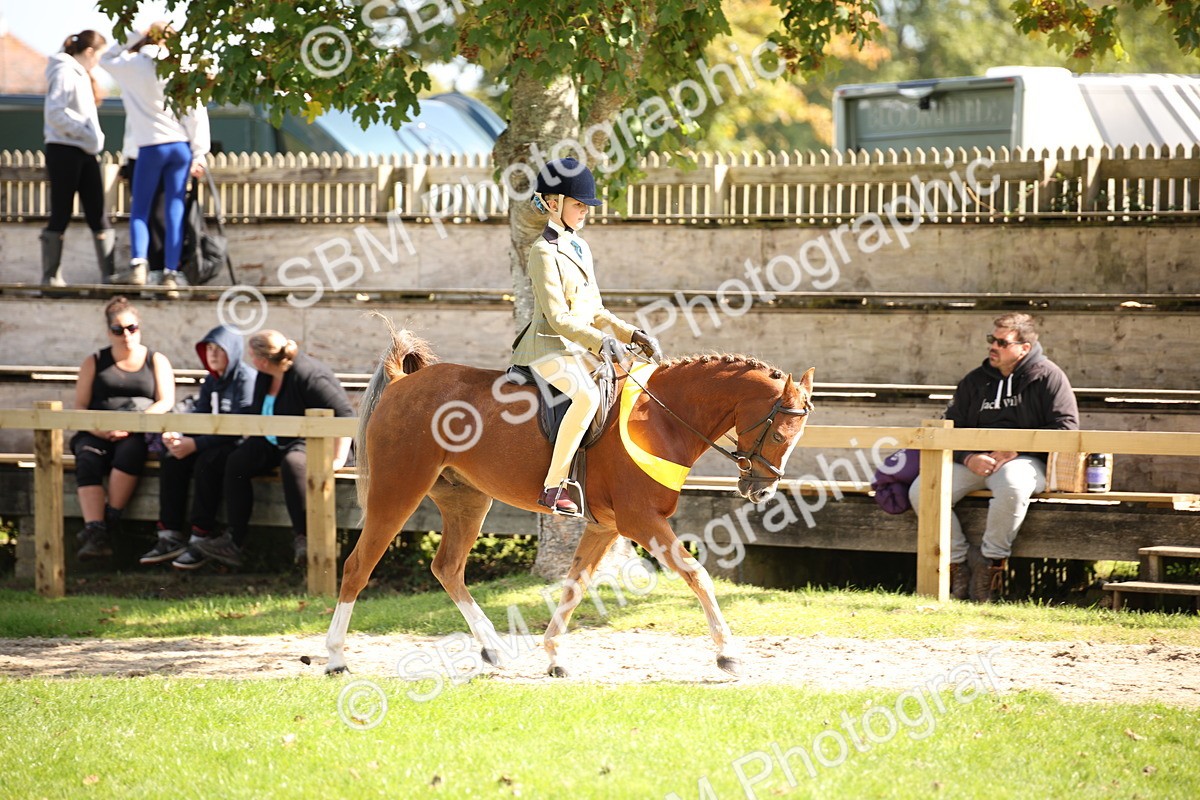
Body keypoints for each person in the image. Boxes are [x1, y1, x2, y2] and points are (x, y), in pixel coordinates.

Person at [511, 157, 662, 514]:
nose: (584, 213)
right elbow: (559, 318)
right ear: (553, 203)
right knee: (587, 397)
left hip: (579, 347)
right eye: (578, 205)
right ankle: (553, 486)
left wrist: (633, 334)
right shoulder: (542, 252)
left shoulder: (580, 247)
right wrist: (600, 342)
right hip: (547, 348)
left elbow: (596, 310)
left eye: (585, 206)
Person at [908, 313, 1079, 602]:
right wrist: (968, 456)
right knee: (923, 489)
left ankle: (990, 566)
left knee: (1012, 482)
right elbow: (951, 426)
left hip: (1027, 460)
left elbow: (1066, 428)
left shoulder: (1049, 376)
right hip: (978, 461)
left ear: (1024, 348)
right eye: (992, 339)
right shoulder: (975, 381)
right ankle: (959, 565)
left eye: (1002, 342)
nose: (993, 346)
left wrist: (1018, 449)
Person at [173, 330, 354, 570]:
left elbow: (345, 415)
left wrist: (339, 458)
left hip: (311, 442)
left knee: (293, 464)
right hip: (273, 440)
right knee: (237, 460)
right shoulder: (265, 375)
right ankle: (234, 541)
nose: (249, 360)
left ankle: (304, 538)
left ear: (262, 360)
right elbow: (257, 414)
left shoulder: (309, 376)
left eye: (251, 355)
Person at [100, 22, 210, 295]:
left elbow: (106, 58)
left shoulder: (132, 65)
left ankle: (139, 264)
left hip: (150, 147)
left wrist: (133, 34)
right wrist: (199, 152)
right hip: (180, 146)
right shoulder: (180, 68)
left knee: (140, 209)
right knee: (175, 210)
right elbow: (195, 112)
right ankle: (171, 273)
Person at [140, 324, 255, 566]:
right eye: (208, 349)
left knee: (207, 461)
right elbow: (200, 415)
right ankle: (169, 533)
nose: (212, 354)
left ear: (233, 351)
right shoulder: (211, 380)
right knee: (172, 457)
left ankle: (201, 535)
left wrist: (196, 444)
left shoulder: (245, 379)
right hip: (211, 441)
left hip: (240, 446)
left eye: (218, 349)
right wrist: (179, 436)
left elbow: (239, 426)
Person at [72, 296, 175, 560]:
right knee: (87, 456)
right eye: (118, 330)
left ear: (139, 328)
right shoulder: (94, 361)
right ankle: (95, 530)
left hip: (137, 431)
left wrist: (133, 426)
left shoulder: (156, 360)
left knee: (131, 452)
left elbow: (165, 401)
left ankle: (109, 521)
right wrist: (101, 430)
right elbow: (81, 407)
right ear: (109, 332)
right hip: (97, 431)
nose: (126, 335)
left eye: (131, 328)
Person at [41, 29, 116, 286]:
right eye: (99, 57)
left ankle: (109, 275)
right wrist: (85, 134)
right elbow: (55, 112)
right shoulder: (64, 70)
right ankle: (51, 277)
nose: (99, 63)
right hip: (64, 149)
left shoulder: (82, 74)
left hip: (85, 151)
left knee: (98, 212)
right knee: (61, 211)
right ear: (89, 52)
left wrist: (89, 139)